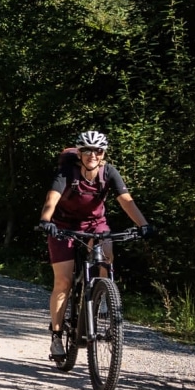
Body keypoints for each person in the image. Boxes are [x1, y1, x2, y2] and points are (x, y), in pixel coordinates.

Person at [37, 131, 151, 360]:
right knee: (64, 281)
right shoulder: (67, 172)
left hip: (95, 224)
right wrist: (46, 221)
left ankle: (104, 298)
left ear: (103, 153)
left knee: (106, 253)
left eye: (97, 150)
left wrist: (144, 224)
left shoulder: (108, 172)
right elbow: (52, 199)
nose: (92, 154)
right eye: (87, 150)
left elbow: (126, 201)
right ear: (79, 153)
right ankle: (57, 336)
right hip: (63, 226)